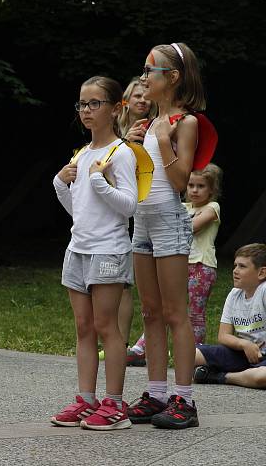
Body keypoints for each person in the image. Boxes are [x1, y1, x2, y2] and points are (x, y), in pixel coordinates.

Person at [124, 42, 205, 429]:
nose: (144, 77)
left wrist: (159, 143)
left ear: (171, 78)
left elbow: (179, 181)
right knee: (150, 312)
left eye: (150, 70)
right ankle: (156, 394)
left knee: (176, 313)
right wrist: (135, 146)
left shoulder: (183, 123)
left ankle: (184, 401)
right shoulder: (146, 123)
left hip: (170, 221)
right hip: (142, 221)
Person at [50, 77, 137, 430]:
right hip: (79, 248)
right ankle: (86, 400)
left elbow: (129, 206)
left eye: (94, 104)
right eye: (82, 104)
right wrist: (60, 184)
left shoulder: (121, 153)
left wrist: (100, 181)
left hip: (108, 250)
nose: (86, 111)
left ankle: (114, 404)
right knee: (83, 327)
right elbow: (79, 210)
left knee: (107, 327)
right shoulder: (83, 154)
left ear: (116, 108)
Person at [128, 164, 223, 365]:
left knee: (194, 313)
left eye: (201, 186)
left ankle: (195, 354)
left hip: (201, 266)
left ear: (211, 190)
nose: (195, 190)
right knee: (162, 307)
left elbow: (192, 227)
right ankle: (142, 348)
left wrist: (167, 223)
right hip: (177, 262)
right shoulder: (181, 208)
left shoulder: (212, 208)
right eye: (190, 185)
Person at [114, 77, 157, 347]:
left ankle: (136, 342)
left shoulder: (152, 129)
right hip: (116, 211)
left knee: (134, 284)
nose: (142, 100)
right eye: (136, 96)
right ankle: (115, 341)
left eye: (146, 96)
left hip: (144, 208)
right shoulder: (113, 130)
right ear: (125, 102)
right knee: (118, 282)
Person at [193, 244, 266, 389]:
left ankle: (221, 376)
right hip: (241, 353)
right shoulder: (234, 294)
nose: (235, 271)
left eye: (242, 266)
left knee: (262, 377)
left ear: (262, 273)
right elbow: (223, 336)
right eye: (235, 266)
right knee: (188, 354)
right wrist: (244, 344)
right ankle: (244, 375)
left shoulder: (264, 291)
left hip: (263, 357)